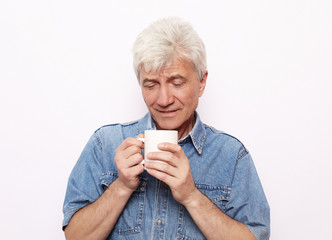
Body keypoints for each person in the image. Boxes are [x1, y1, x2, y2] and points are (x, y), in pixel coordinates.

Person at [62, 17, 270, 240]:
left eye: (177, 83)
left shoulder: (231, 156)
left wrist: (191, 196)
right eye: (151, 85)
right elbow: (75, 236)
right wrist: (121, 186)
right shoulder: (105, 144)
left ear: (201, 83)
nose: (163, 99)